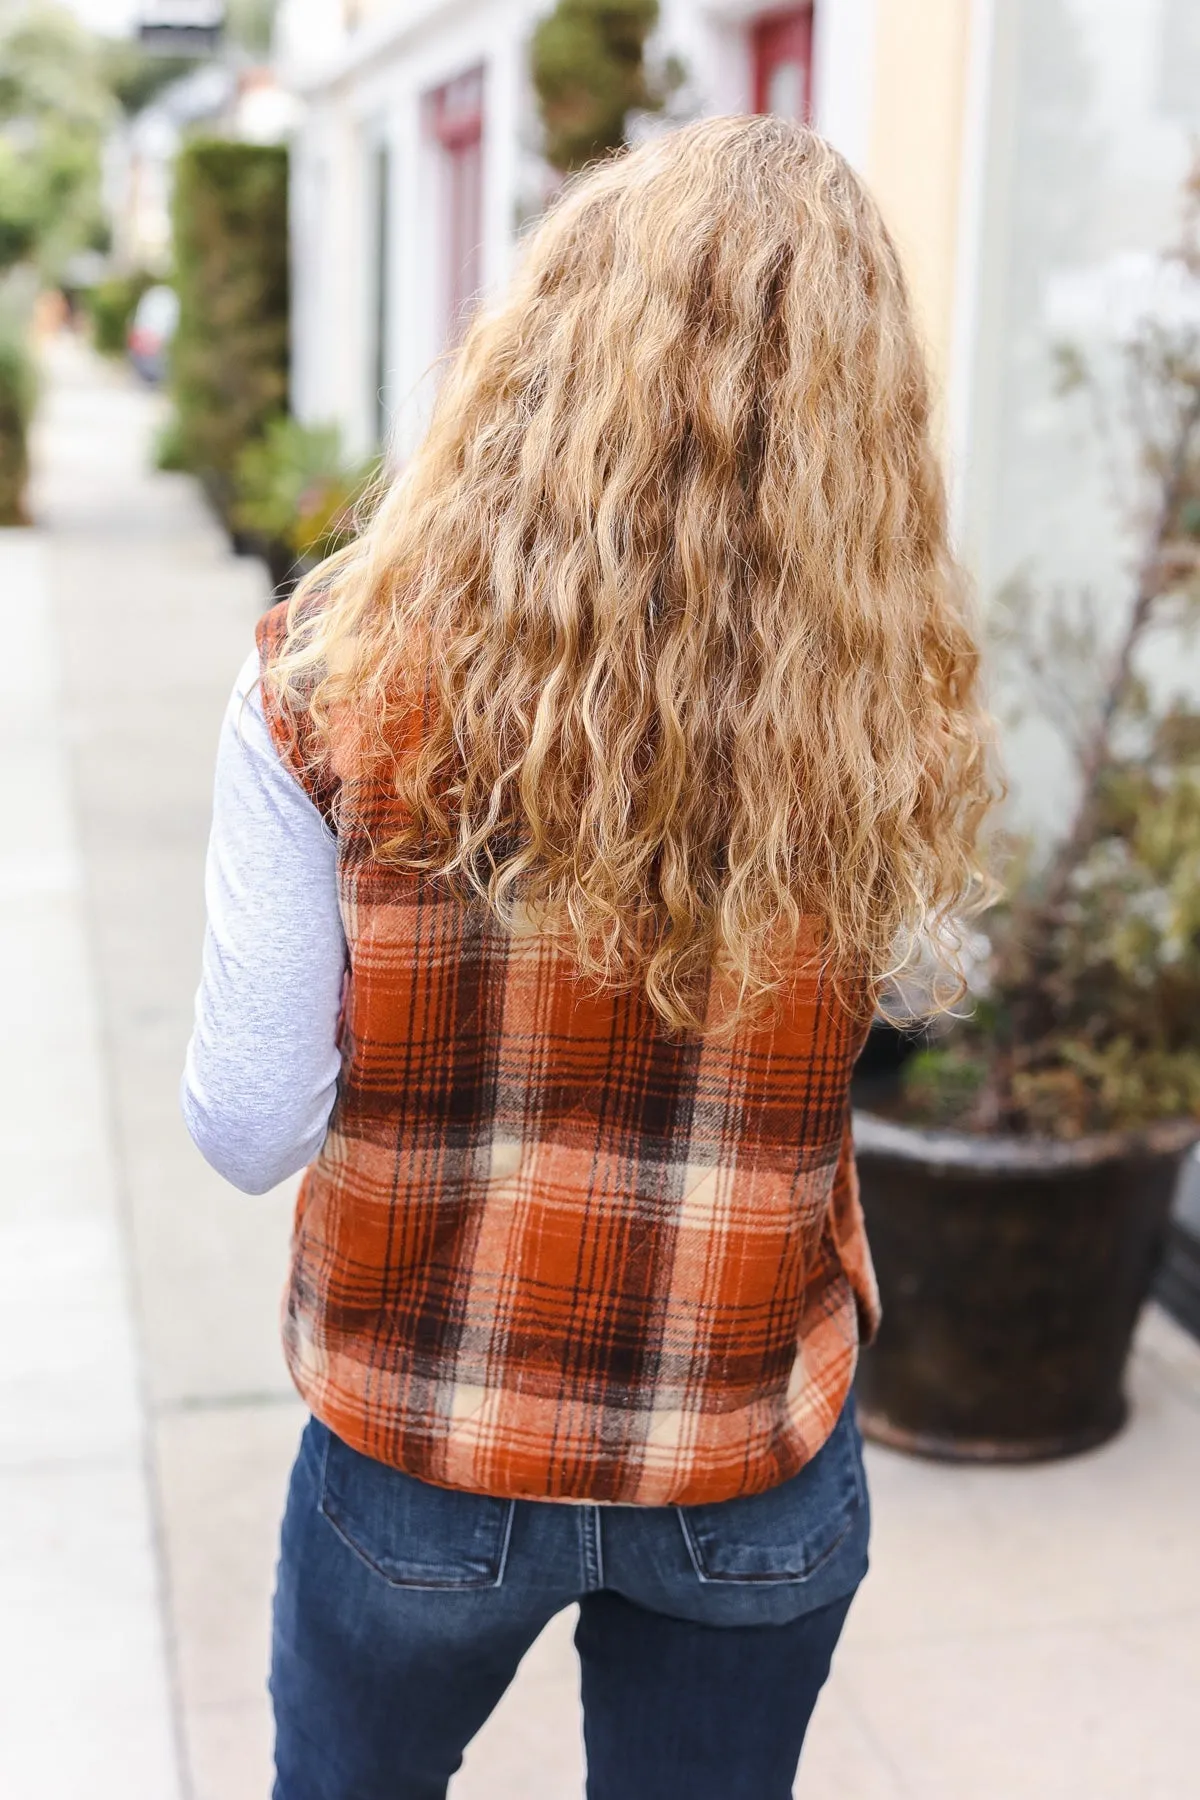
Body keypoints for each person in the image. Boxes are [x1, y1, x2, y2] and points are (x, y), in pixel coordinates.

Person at [183, 114, 994, 1800]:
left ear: (540, 353)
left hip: (424, 1446)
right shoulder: (876, 721)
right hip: (741, 1447)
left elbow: (249, 1121)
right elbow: (930, 997)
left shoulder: (327, 693)